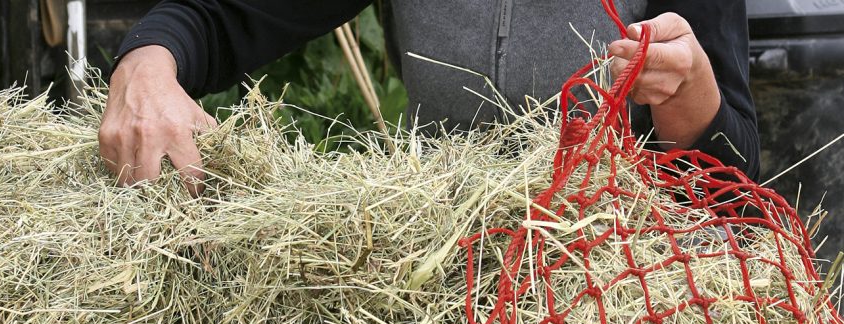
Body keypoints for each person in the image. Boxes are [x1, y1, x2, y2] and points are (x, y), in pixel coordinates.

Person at [99, 1, 760, 196]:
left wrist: (690, 85)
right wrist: (145, 67)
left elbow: (738, 180)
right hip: (434, 282)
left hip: (615, 290)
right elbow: (219, 19)